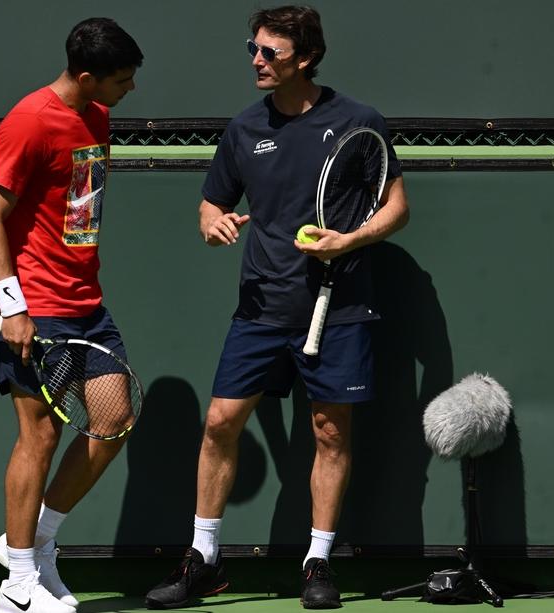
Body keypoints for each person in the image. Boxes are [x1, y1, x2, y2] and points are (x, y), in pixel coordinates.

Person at [144, 5, 408, 610]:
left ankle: (317, 563)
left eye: (270, 52)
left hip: (338, 309)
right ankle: (202, 559)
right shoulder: (242, 129)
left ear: (306, 59)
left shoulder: (358, 122)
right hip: (261, 307)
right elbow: (212, 203)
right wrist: (213, 223)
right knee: (218, 424)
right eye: (252, 50)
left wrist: (349, 240)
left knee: (329, 433)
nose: (257, 61)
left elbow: (396, 207)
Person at [0, 17, 143, 613]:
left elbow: (77, 212)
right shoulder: (28, 121)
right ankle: (18, 586)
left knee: (112, 421)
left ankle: (34, 543)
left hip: (87, 302)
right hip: (35, 308)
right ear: (88, 75)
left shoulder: (97, 115)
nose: (130, 89)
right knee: (38, 437)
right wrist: (13, 307)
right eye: (122, 79)